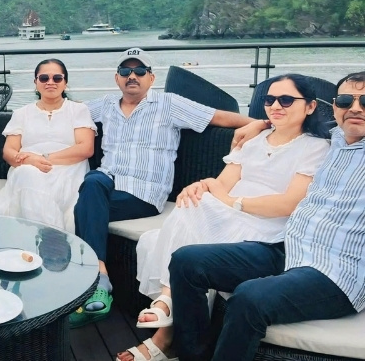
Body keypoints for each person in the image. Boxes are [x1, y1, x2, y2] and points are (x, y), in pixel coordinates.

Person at [117, 74, 330, 361]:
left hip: (267, 228)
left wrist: (231, 202)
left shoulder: (316, 147)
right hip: (230, 215)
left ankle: (166, 311)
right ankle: (168, 323)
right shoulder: (254, 140)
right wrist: (201, 186)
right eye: (269, 100)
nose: (276, 106)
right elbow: (222, 184)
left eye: (286, 100)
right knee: (182, 213)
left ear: (311, 106)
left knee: (176, 227)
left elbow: (289, 204)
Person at [167, 70, 365, 361]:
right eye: (347, 101)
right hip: (285, 248)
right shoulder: (334, 137)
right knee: (186, 261)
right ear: (334, 106)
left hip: (335, 274)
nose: (356, 108)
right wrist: (260, 123)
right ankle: (193, 355)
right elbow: (291, 117)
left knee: (249, 298)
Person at [69, 48, 257, 328]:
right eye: (125, 71)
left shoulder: (169, 104)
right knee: (93, 183)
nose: (132, 76)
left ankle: (89, 281)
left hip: (144, 194)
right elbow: (67, 113)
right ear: (117, 78)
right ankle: (101, 277)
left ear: (151, 77)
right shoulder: (105, 105)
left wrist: (261, 124)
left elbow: (221, 118)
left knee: (84, 201)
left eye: (140, 71)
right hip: (107, 184)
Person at [0, 58, 96, 231]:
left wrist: (42, 159)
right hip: (27, 169)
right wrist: (28, 161)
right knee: (27, 174)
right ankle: (53, 237)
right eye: (44, 78)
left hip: (68, 173)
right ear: (36, 82)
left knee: (30, 178)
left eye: (57, 78)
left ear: (65, 83)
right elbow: (9, 151)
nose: (50, 82)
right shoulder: (22, 113)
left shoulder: (78, 110)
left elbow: (86, 148)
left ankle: (45, 236)